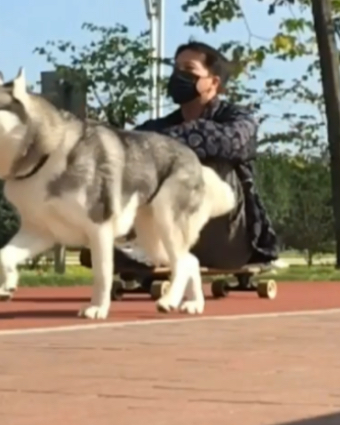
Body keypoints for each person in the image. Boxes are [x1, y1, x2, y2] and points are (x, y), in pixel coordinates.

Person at [81, 40, 280, 271]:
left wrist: (154, 146)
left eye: (188, 70)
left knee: (208, 161)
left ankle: (147, 250)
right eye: (176, 69)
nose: (178, 76)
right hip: (169, 233)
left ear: (213, 82)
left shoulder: (239, 118)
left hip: (226, 237)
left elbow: (228, 141)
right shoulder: (158, 126)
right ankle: (140, 246)